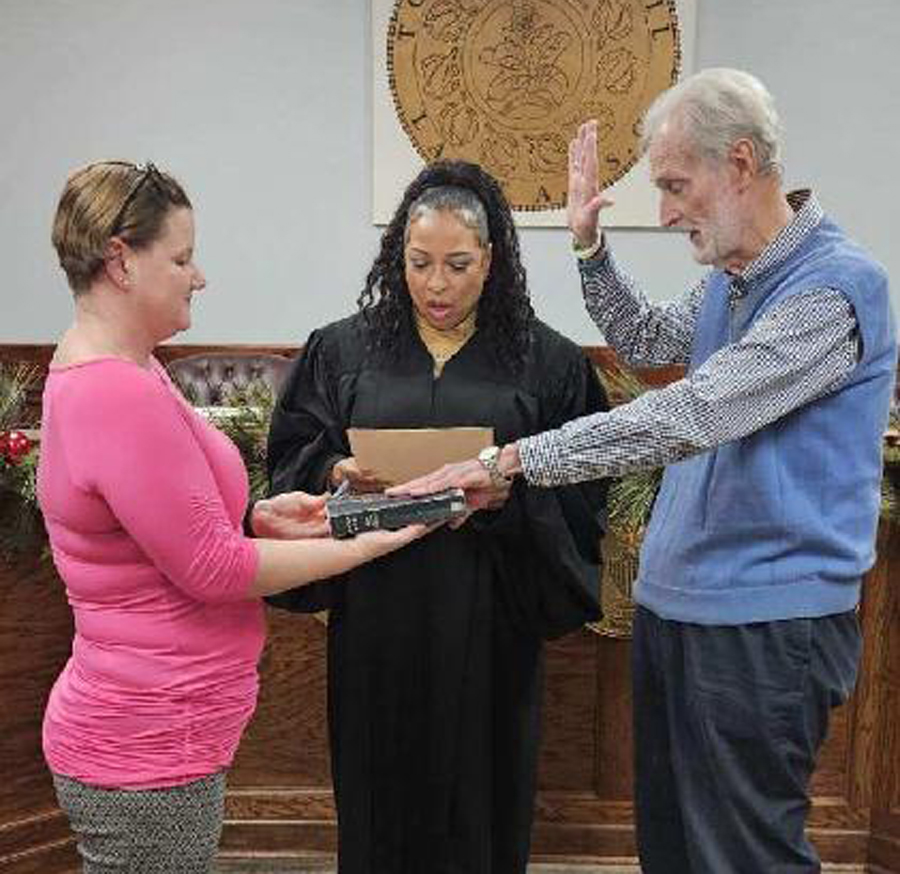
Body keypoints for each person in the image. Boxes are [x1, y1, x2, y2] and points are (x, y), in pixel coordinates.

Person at [395, 69, 898, 873]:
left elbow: (693, 412)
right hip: (681, 609)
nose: (664, 213)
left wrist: (516, 458)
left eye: (674, 185)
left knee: (743, 857)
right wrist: (591, 248)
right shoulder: (730, 284)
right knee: (673, 850)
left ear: (739, 162)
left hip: (765, 625)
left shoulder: (833, 290)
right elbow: (644, 337)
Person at [39, 160, 430, 874]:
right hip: (148, 742)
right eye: (182, 257)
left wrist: (259, 516)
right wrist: (370, 537)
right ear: (121, 260)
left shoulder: (132, 367)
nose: (199, 275)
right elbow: (214, 570)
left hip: (162, 734)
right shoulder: (111, 391)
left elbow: (163, 524)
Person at [266, 159, 608, 874]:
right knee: (377, 789)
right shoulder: (343, 349)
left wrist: (512, 495)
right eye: (419, 262)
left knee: (482, 793)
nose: (437, 284)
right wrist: (334, 471)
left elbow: (583, 483)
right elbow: (295, 450)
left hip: (490, 611)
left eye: (458, 263)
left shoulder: (545, 360)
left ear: (490, 259)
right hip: (377, 614)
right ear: (399, 256)